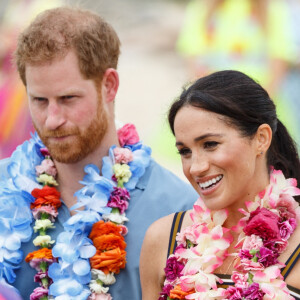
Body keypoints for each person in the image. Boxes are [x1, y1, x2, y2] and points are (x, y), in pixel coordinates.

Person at [0, 6, 198, 300]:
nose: (52, 119)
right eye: (40, 100)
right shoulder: (5, 185)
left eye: (68, 98)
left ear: (109, 86)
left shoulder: (179, 211)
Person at [140, 70, 300, 300]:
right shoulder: (162, 238)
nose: (195, 167)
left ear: (261, 139)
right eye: (185, 151)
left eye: (210, 144)